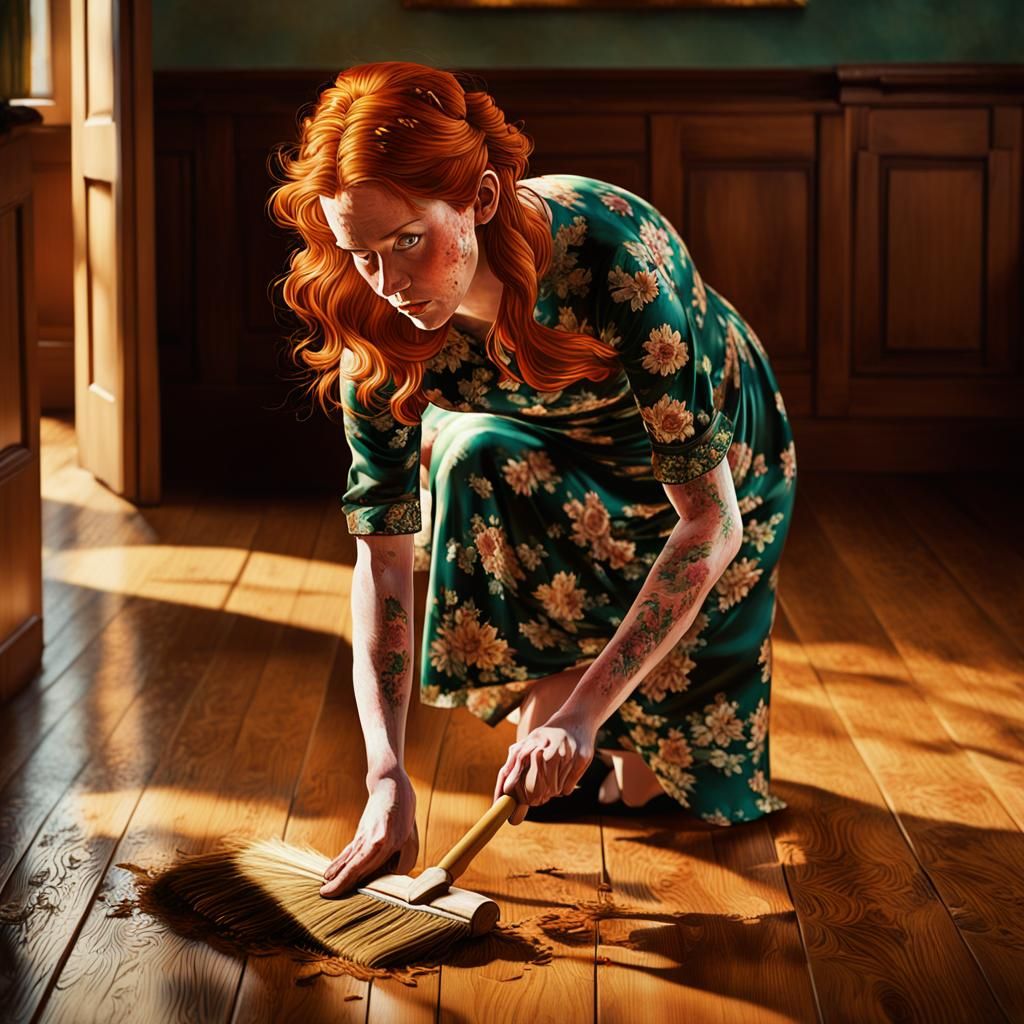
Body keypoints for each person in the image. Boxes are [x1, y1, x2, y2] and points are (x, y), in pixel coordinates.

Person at [268, 62, 795, 899]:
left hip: (713, 463)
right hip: (536, 456)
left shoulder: (614, 257)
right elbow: (386, 558)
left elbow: (710, 523)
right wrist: (384, 776)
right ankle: (567, 691)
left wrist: (583, 716)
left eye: (408, 240)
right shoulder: (374, 313)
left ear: (480, 197)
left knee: (652, 786)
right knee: (463, 448)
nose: (389, 284)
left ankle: (590, 710)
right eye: (360, 253)